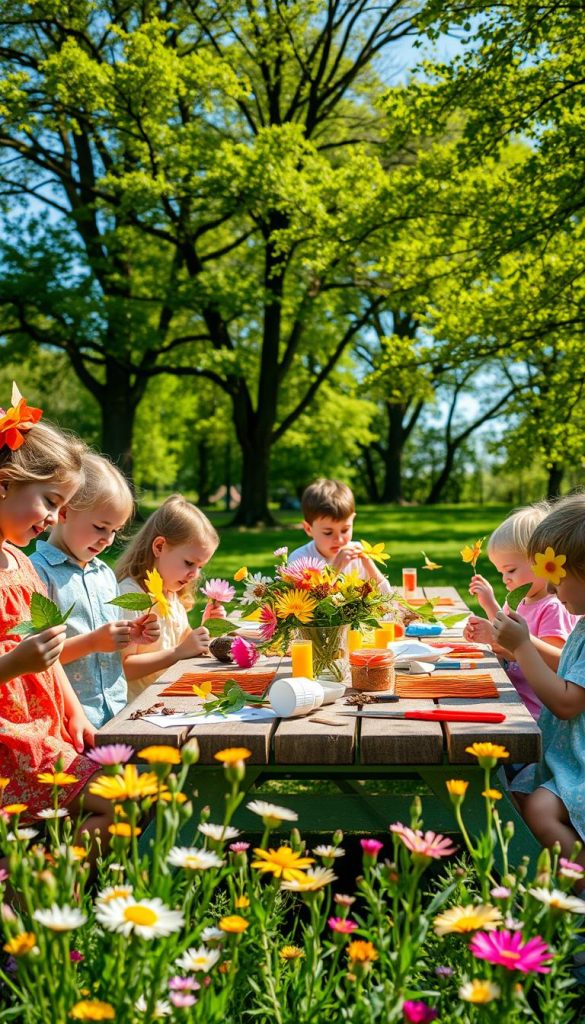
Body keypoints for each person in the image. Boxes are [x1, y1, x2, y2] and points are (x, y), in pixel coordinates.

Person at [0, 390, 112, 837]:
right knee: (117, 805)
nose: (53, 518)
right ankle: (37, 898)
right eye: (48, 501)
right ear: (4, 483)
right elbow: (29, 657)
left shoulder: (22, 563)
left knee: (121, 804)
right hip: (10, 743)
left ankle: (37, 890)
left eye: (61, 507)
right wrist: (15, 664)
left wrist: (75, 713)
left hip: (45, 729)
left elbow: (48, 650)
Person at [31, 453, 159, 728]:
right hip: (72, 722)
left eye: (115, 531)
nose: (107, 540)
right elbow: (36, 659)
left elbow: (111, 644)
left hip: (117, 712)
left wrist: (132, 635)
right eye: (100, 527)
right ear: (63, 513)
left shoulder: (104, 574)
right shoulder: (38, 573)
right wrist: (92, 642)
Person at [492, 494, 585, 874]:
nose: (551, 585)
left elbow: (567, 701)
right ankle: (540, 881)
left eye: (557, 576)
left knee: (539, 809)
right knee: (512, 795)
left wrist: (523, 646)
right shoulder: (582, 624)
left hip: (577, 760)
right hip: (567, 752)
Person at [464, 503, 578, 719]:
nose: (505, 578)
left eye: (511, 570)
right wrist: (489, 614)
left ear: (543, 561)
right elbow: (510, 639)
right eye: (501, 572)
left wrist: (504, 639)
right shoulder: (520, 601)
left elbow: (555, 663)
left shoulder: (554, 607)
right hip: (512, 694)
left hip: (534, 708)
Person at [115, 495, 218, 697]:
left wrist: (208, 628)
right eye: (189, 563)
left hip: (167, 700)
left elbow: (188, 644)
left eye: (200, 567)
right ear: (159, 547)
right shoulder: (132, 595)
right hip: (136, 712)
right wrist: (176, 653)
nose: (195, 574)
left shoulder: (171, 596)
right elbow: (123, 668)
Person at [289, 478, 391, 593]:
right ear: (308, 529)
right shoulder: (299, 559)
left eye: (345, 530)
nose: (339, 539)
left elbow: (389, 598)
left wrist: (369, 566)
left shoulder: (356, 555)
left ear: (353, 520)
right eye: (328, 532)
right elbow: (310, 606)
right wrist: (335, 569)